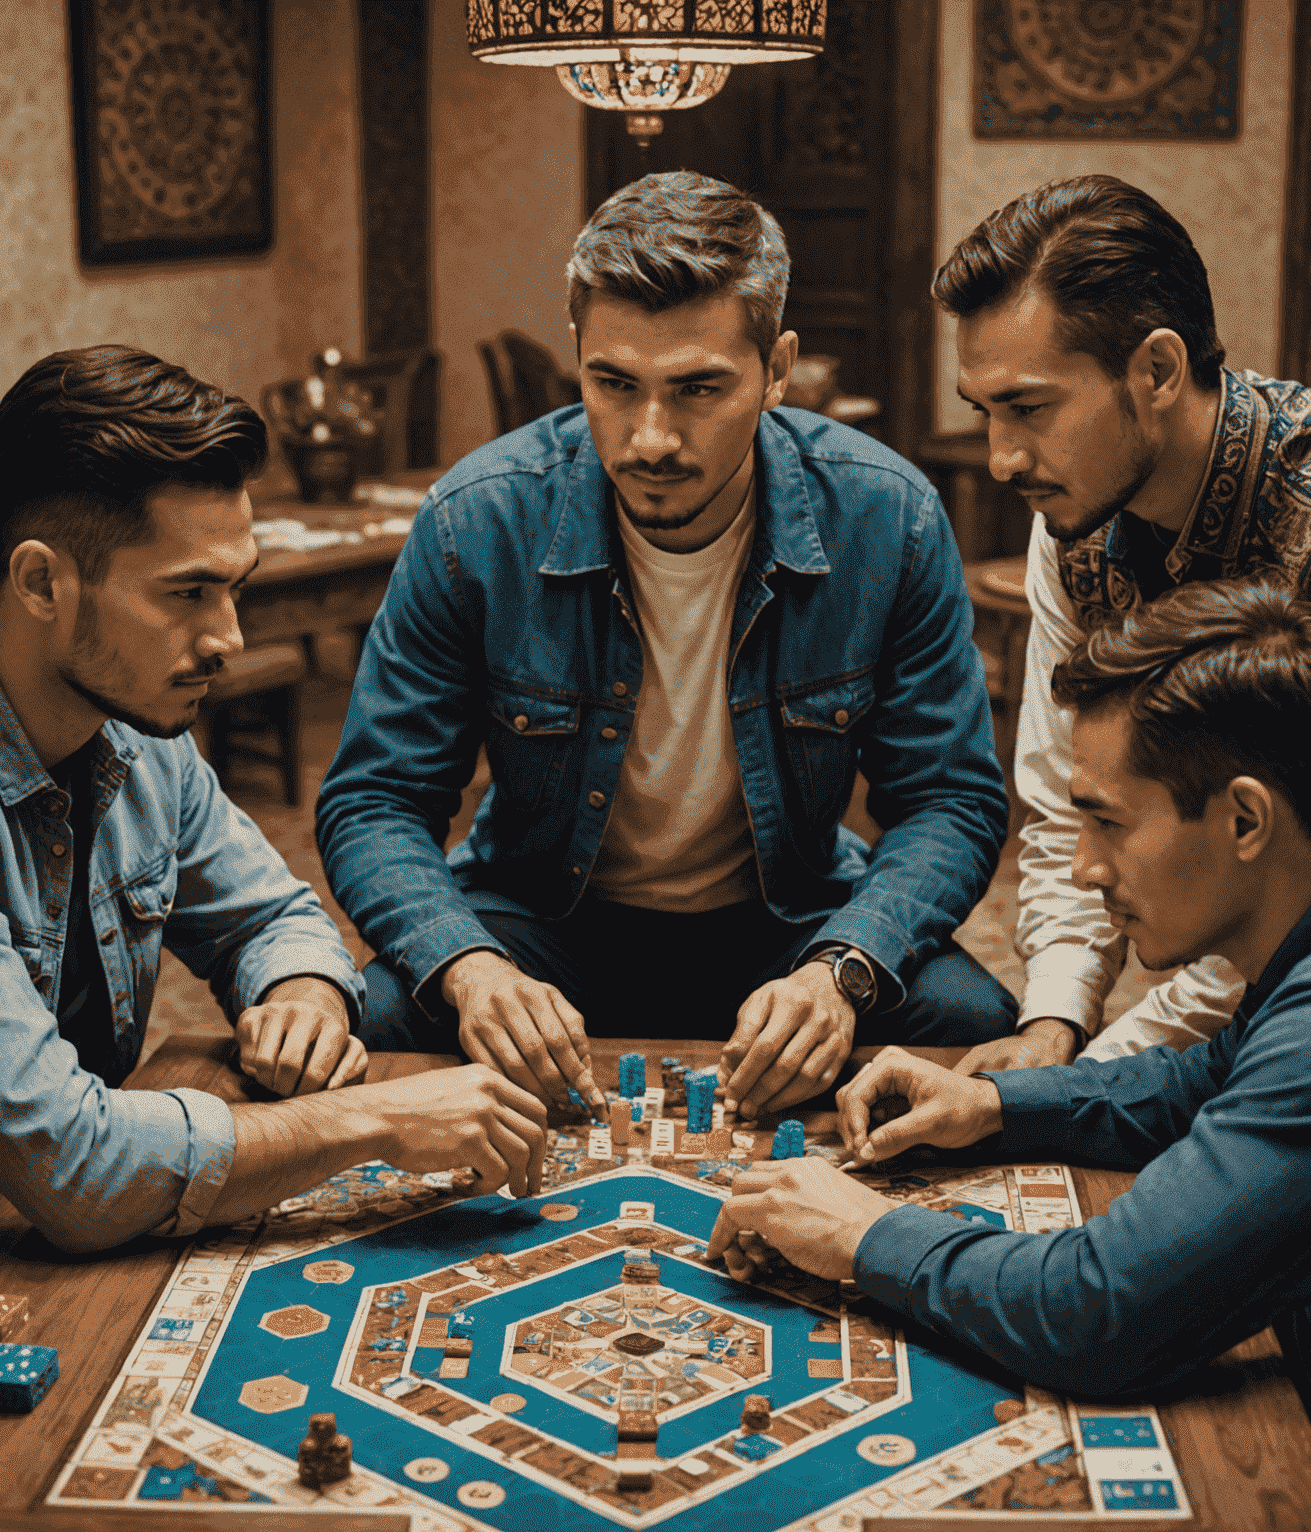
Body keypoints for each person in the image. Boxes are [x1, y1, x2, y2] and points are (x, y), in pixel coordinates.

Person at [705, 578, 1311, 1532]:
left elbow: (1102, 1309)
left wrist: (863, 1231)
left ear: (1246, 821)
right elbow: (1202, 1080)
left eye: (1107, 821)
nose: (1082, 866)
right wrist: (995, 1104)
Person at [316, 171, 1014, 1124]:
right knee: (379, 1022)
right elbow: (375, 800)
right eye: (614, 384)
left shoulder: (889, 518)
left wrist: (842, 970)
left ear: (777, 369)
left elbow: (949, 799)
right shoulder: (474, 522)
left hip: (788, 920)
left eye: (698, 389)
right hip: (539, 923)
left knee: (971, 1023)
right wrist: (469, 967)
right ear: (578, 356)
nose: (650, 438)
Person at [0, 345, 546, 1303]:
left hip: (29, 1244)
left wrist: (302, 997)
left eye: (236, 587)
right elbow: (74, 1168)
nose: (230, 638)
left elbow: (271, 916)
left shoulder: (127, 719)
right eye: (187, 594)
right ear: (41, 583)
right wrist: (379, 1122)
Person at [930, 174, 1311, 1072]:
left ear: (1156, 371)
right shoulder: (1072, 515)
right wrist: (1056, 1022)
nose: (1000, 459)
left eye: (1028, 408)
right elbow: (1064, 806)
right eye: (983, 413)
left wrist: (1103, 1074)